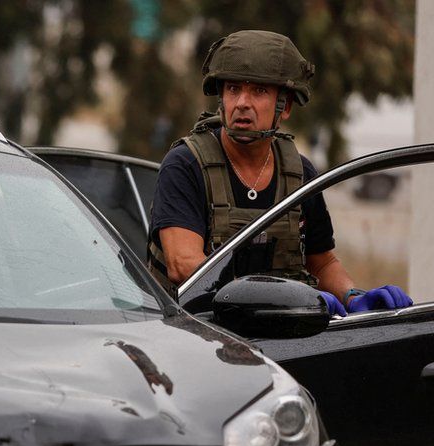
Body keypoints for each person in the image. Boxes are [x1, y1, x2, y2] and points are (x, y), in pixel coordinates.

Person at [146, 30, 411, 316]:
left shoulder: (299, 173)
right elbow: (183, 265)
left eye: (259, 91)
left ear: (284, 107)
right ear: (221, 98)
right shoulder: (185, 165)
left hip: (281, 338)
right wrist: (284, 300)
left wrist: (352, 296)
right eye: (233, 89)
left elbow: (320, 263)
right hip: (194, 334)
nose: (242, 103)